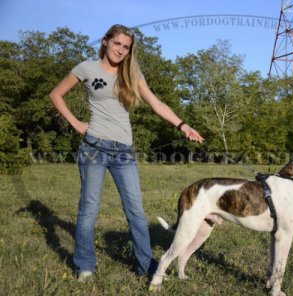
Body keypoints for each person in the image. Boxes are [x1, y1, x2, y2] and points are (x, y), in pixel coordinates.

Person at [49, 24, 204, 282]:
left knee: (136, 211)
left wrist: (183, 125)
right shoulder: (87, 68)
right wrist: (76, 124)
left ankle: (146, 265)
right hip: (94, 149)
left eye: (126, 47)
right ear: (106, 41)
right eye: (117, 44)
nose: (120, 50)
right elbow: (56, 94)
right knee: (89, 210)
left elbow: (157, 104)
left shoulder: (131, 74)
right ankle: (85, 265)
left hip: (123, 152)